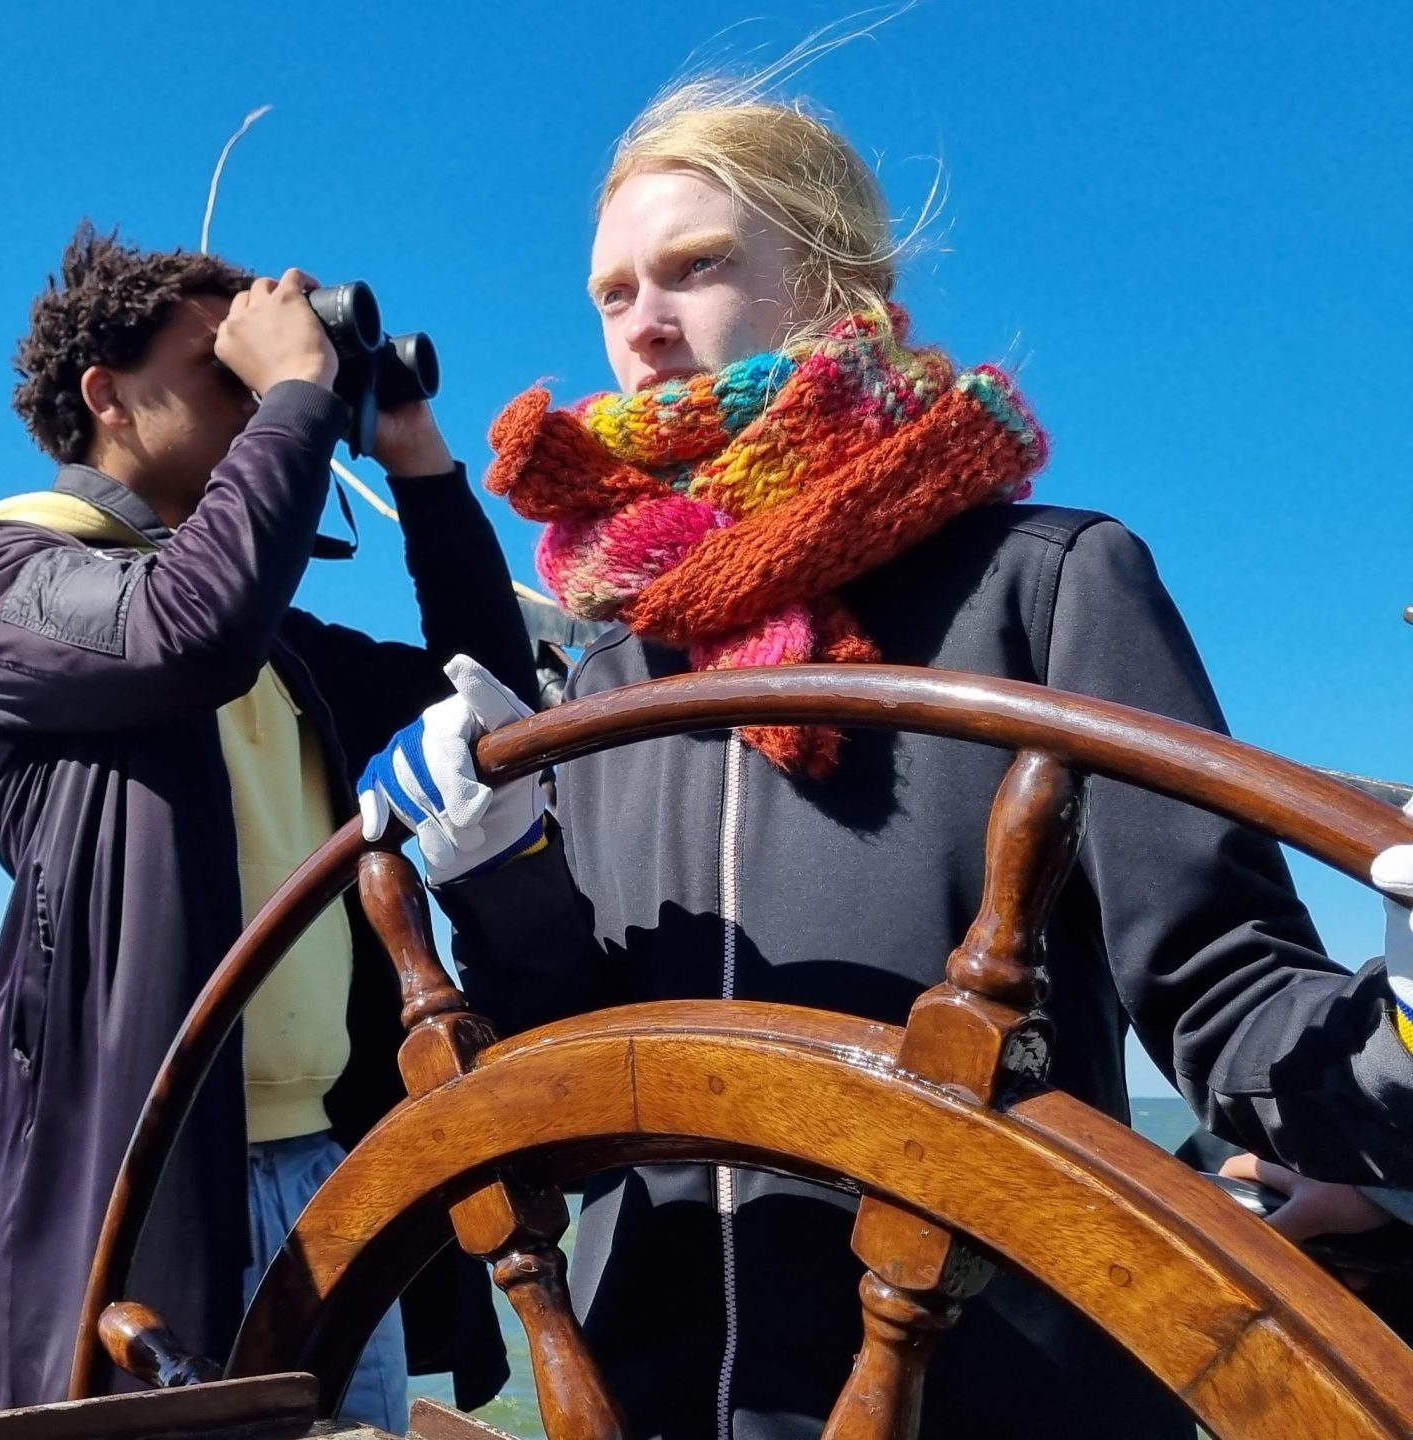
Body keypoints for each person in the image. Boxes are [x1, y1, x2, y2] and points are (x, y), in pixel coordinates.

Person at [354, 81, 1413, 1440]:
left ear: (833, 283)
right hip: (644, 1397)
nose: (643, 324)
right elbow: (560, 1062)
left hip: (996, 1397)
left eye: (695, 267)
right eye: (611, 292)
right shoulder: (613, 667)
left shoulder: (1048, 585)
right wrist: (499, 869)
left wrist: (1401, 1028)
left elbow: (1225, 1002)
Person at [0, 224, 536, 1425]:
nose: (257, 386)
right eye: (223, 366)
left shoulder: (280, 654)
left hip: (326, 1159)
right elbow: (183, 632)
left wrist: (415, 459)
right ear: (106, 397)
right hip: (136, 1173)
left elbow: (489, 696)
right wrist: (300, 392)